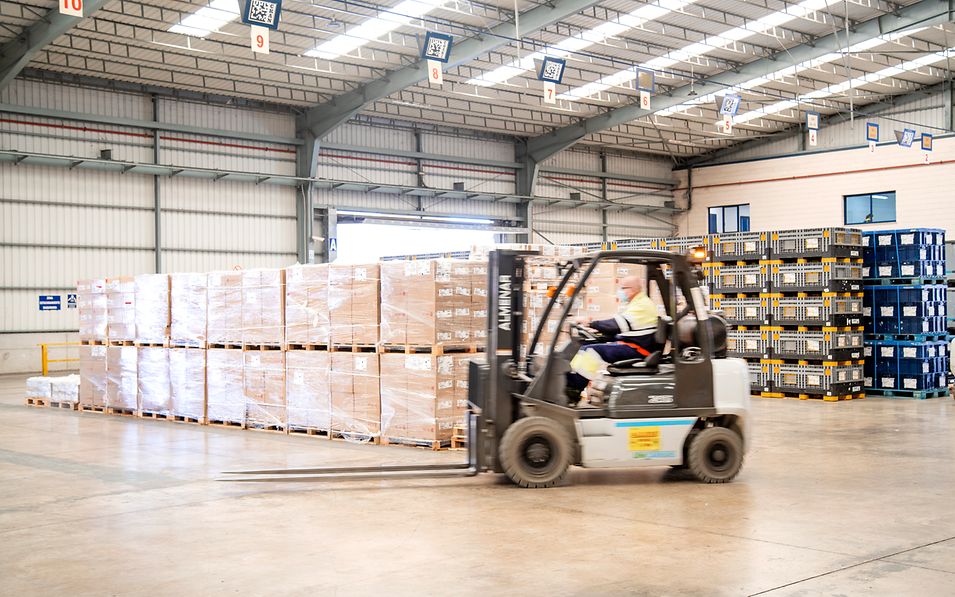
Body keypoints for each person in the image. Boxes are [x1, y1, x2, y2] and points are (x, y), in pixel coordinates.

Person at [566, 275, 660, 395]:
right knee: (586, 345)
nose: (620, 291)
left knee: (589, 351)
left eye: (623, 288)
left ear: (632, 289)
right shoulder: (637, 302)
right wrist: (599, 331)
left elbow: (617, 324)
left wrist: (590, 323)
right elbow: (623, 327)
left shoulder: (642, 305)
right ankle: (573, 382)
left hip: (637, 349)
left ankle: (574, 388)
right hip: (632, 344)